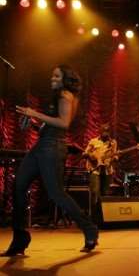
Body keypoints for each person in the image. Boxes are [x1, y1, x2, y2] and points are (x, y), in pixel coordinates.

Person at [1, 65, 98, 256]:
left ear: (65, 79)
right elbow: (51, 124)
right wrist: (34, 124)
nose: (52, 79)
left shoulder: (66, 96)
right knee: (18, 186)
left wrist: (34, 113)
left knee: (56, 194)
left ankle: (89, 229)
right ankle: (20, 239)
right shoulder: (57, 96)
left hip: (53, 148)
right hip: (41, 146)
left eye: (56, 76)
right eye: (52, 75)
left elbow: (64, 123)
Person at [83, 123, 118, 220]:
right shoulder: (93, 141)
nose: (106, 133)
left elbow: (114, 155)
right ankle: (94, 217)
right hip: (95, 170)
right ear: (100, 131)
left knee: (106, 193)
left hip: (107, 170)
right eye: (104, 131)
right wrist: (92, 157)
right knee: (95, 192)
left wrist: (115, 158)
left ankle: (104, 217)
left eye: (107, 131)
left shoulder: (113, 143)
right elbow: (85, 153)